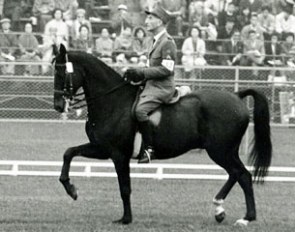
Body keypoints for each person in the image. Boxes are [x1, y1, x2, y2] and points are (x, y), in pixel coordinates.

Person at [124, 4, 177, 163]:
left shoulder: (167, 42)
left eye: (150, 18)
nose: (146, 21)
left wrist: (142, 72)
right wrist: (136, 73)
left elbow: (167, 70)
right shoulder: (154, 41)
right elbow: (151, 67)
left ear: (160, 21)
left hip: (162, 87)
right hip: (151, 84)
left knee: (140, 110)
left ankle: (149, 148)